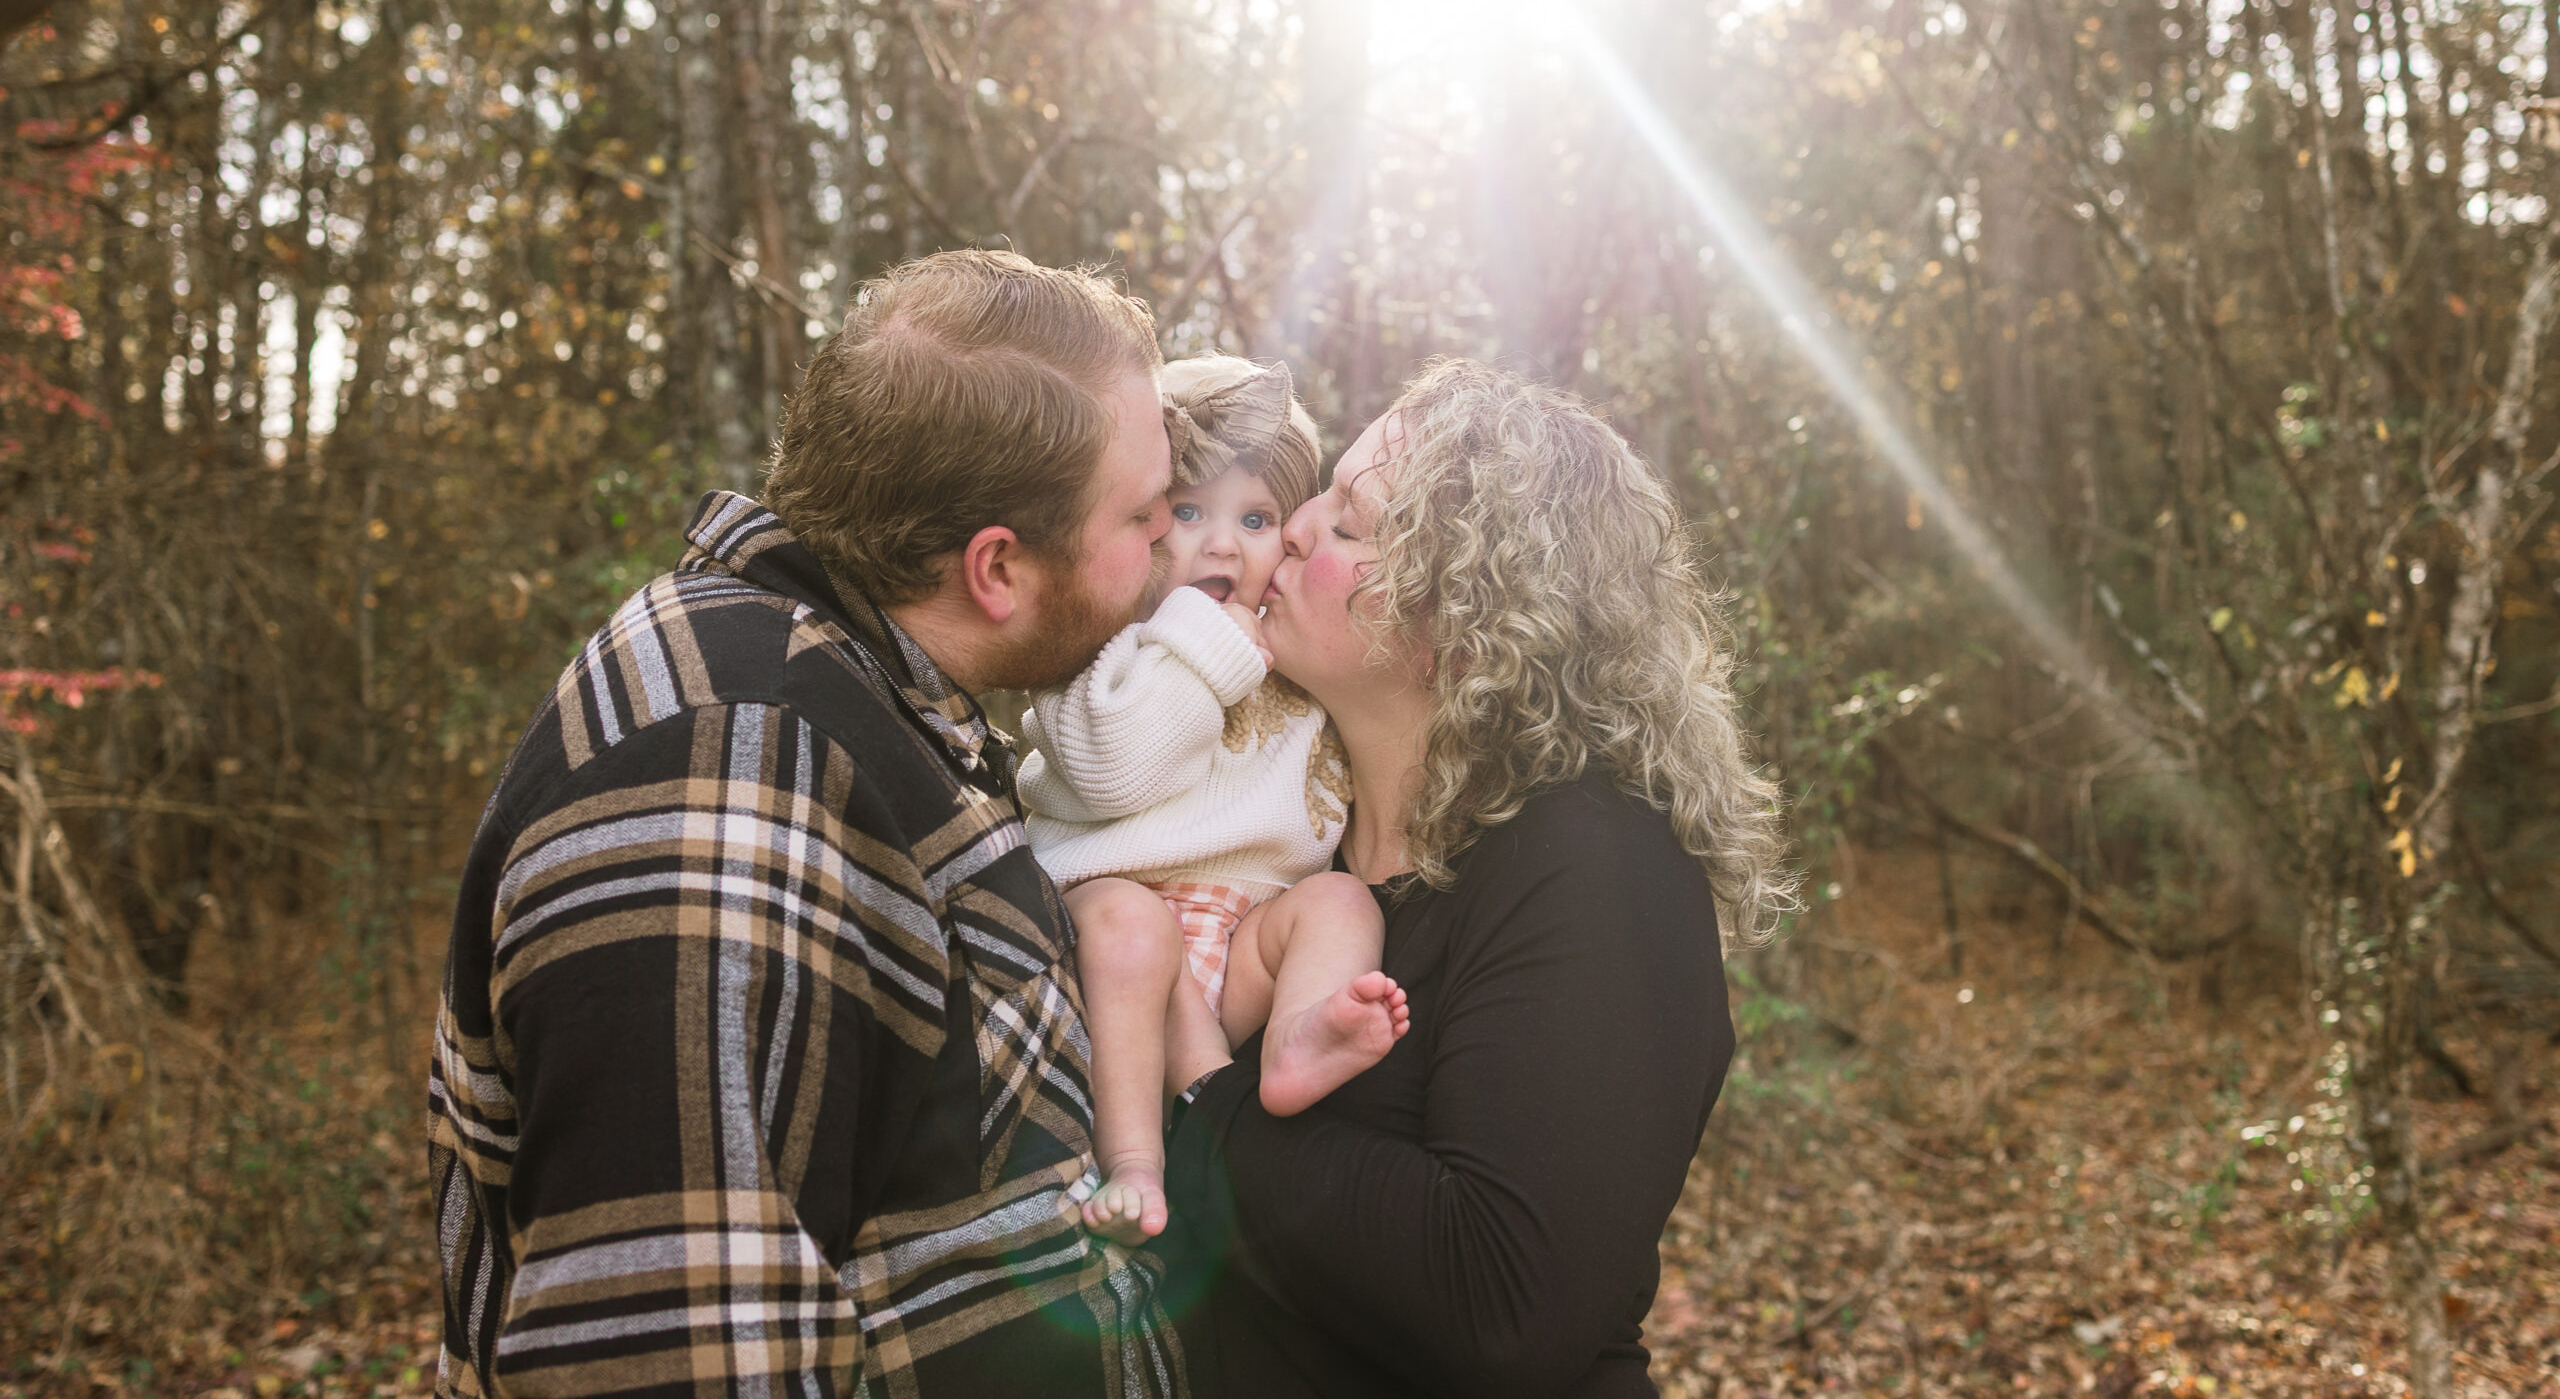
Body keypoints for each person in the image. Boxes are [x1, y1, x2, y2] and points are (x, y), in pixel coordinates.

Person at [425, 251, 1192, 1398]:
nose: (1171, 548)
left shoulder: (861, 697)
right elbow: (671, 1351)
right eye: (1141, 516)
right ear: (998, 568)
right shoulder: (730, 768)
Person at [1160, 358, 1794, 1398]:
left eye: (1354, 525)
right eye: (1322, 492)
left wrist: (1199, 1097)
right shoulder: (1280, 840)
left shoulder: (1595, 863)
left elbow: (1501, 1308)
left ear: (1463, 629)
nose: (1301, 527)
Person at [1018, 355, 1408, 1248]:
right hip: (1108, 943)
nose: (1224, 545)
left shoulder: (1298, 668)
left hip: (1239, 953)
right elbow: (1115, 768)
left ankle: (1298, 1042)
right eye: (1190, 512)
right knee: (1127, 922)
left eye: (1259, 518)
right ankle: (1135, 1162)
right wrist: (1199, 639)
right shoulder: (1112, 645)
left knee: (1341, 902)